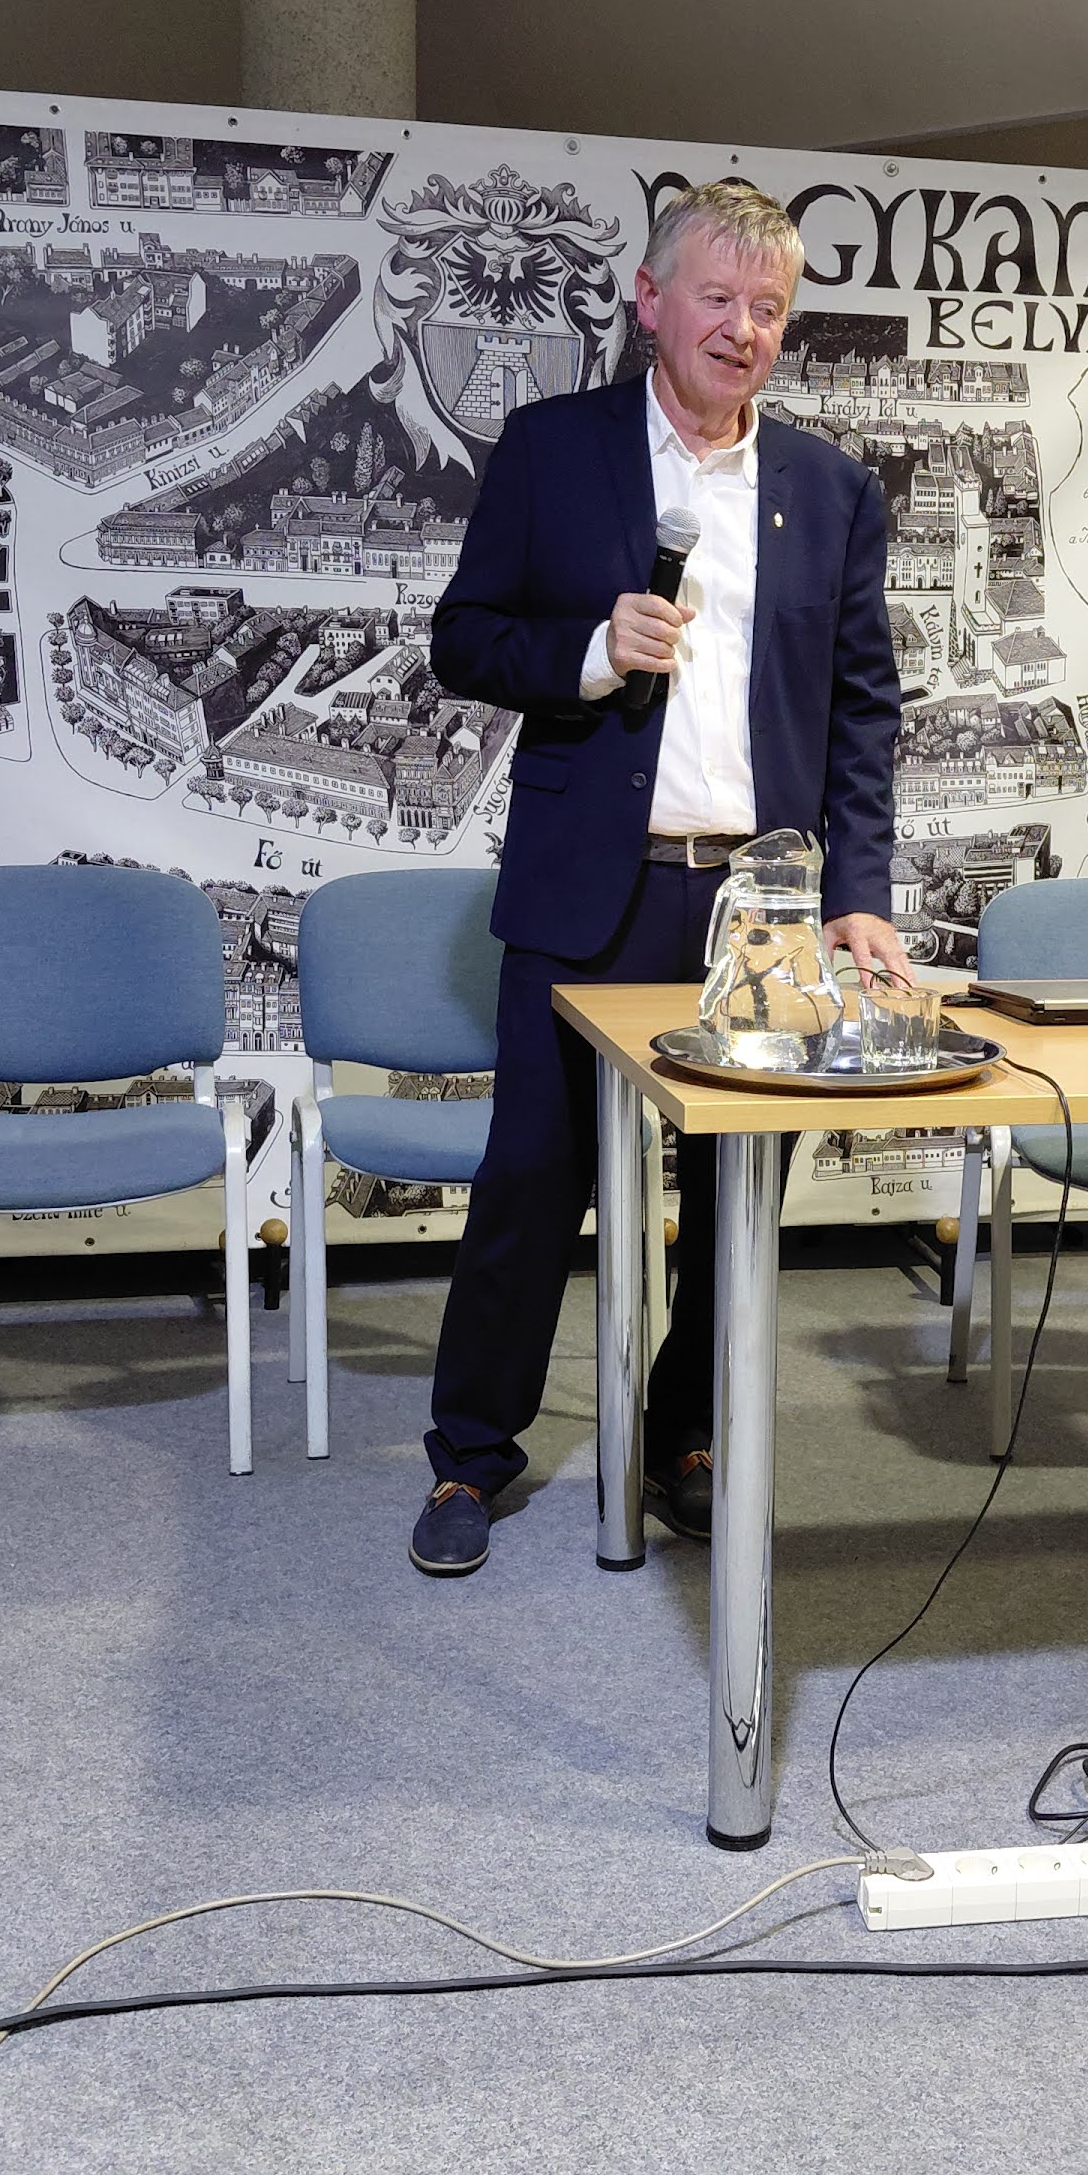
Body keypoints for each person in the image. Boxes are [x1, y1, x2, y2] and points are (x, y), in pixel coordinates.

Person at [411, 181, 910, 1575]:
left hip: (762, 910)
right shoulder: (551, 450)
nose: (744, 330)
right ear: (649, 300)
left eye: (769, 308)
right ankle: (470, 1457)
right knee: (533, 1178)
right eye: (718, 298)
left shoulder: (830, 491)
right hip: (593, 890)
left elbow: (863, 709)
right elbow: (462, 638)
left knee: (740, 1195)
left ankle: (683, 1435)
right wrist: (586, 652)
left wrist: (859, 894)